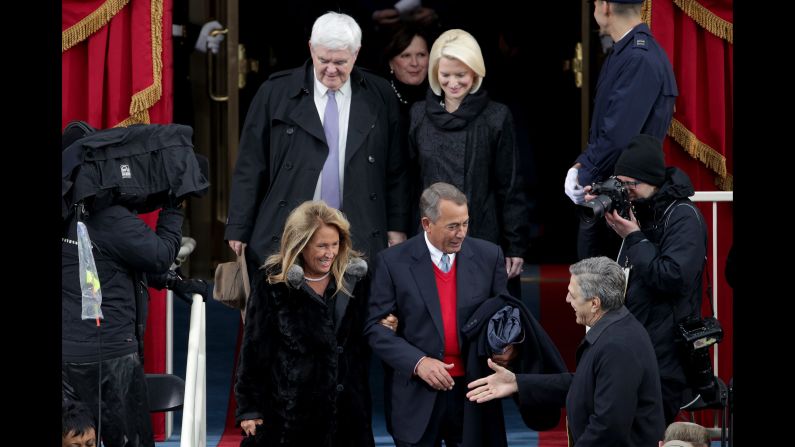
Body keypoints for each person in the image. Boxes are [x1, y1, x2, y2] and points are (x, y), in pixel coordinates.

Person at [225, 11, 410, 272]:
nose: (331, 70)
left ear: (356, 53)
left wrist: (397, 226)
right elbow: (251, 163)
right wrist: (239, 226)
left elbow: (397, 167)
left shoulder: (380, 95)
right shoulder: (275, 92)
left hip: (359, 228)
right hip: (288, 227)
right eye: (323, 60)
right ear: (311, 49)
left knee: (353, 309)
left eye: (341, 62)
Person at [366, 182, 520, 447]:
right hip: (417, 394)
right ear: (427, 223)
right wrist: (418, 362)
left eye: (465, 223)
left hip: (474, 393)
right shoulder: (393, 262)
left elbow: (505, 316)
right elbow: (374, 328)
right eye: (452, 226)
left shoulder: (488, 255)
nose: (461, 233)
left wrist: (509, 345)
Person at [466, 256, 665, 446]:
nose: (567, 299)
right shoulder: (615, 330)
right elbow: (583, 384)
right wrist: (518, 382)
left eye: (573, 293)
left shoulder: (617, 346)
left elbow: (609, 428)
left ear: (595, 303)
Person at [235, 201, 375, 446]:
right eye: (321, 246)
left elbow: (370, 331)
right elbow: (255, 347)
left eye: (335, 244)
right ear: (300, 244)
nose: (330, 253)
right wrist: (249, 408)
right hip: (291, 416)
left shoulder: (357, 279)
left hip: (348, 415)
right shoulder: (272, 282)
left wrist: (388, 322)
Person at [408, 29, 528, 296]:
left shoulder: (496, 116)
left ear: (475, 72)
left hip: (482, 235)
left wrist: (515, 246)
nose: (453, 83)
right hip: (429, 237)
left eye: (460, 75)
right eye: (445, 74)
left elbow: (509, 186)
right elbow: (407, 182)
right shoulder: (418, 115)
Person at [600, 134, 707, 424]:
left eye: (630, 184)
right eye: (620, 184)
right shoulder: (637, 211)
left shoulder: (683, 216)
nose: (626, 191)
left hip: (666, 351)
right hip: (633, 341)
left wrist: (634, 237)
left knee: (649, 429)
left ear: (653, 181)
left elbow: (672, 277)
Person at [62, 201, 184, 447]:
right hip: (111, 349)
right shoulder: (112, 217)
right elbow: (159, 256)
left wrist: (172, 280)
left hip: (70, 351)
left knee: (75, 439)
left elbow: (111, 260)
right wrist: (173, 207)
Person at [563, 0, 678, 260]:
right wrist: (582, 165)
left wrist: (583, 174)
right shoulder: (630, 53)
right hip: (614, 195)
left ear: (604, 6)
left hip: (620, 202)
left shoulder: (637, 58)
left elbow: (618, 137)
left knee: (599, 292)